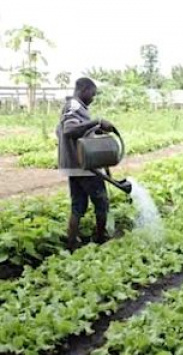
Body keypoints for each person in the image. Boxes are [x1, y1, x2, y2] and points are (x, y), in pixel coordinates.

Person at [56, 77, 116, 252]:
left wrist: (96, 129)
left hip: (76, 165)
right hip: (84, 166)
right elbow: (69, 131)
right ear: (84, 90)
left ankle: (72, 243)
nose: (93, 97)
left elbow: (80, 131)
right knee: (101, 202)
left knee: (78, 205)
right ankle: (100, 238)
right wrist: (96, 121)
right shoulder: (74, 106)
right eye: (93, 93)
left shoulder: (77, 107)